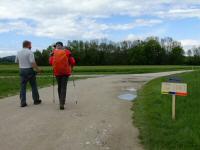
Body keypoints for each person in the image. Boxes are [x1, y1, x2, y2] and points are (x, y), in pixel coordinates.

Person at [49, 42, 76, 110]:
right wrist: (71, 68)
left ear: (56, 46)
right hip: (65, 72)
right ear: (62, 46)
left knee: (59, 86)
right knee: (63, 87)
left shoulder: (53, 52)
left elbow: (50, 62)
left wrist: (51, 56)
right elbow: (72, 62)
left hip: (57, 72)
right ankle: (62, 103)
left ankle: (60, 101)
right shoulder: (67, 51)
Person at [15, 40, 42, 107]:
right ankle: (36, 100)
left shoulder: (18, 52)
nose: (31, 46)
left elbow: (16, 61)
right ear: (28, 45)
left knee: (23, 86)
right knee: (33, 86)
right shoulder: (30, 52)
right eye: (30, 45)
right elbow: (32, 63)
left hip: (21, 70)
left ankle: (23, 102)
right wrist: (38, 70)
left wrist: (22, 65)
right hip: (29, 70)